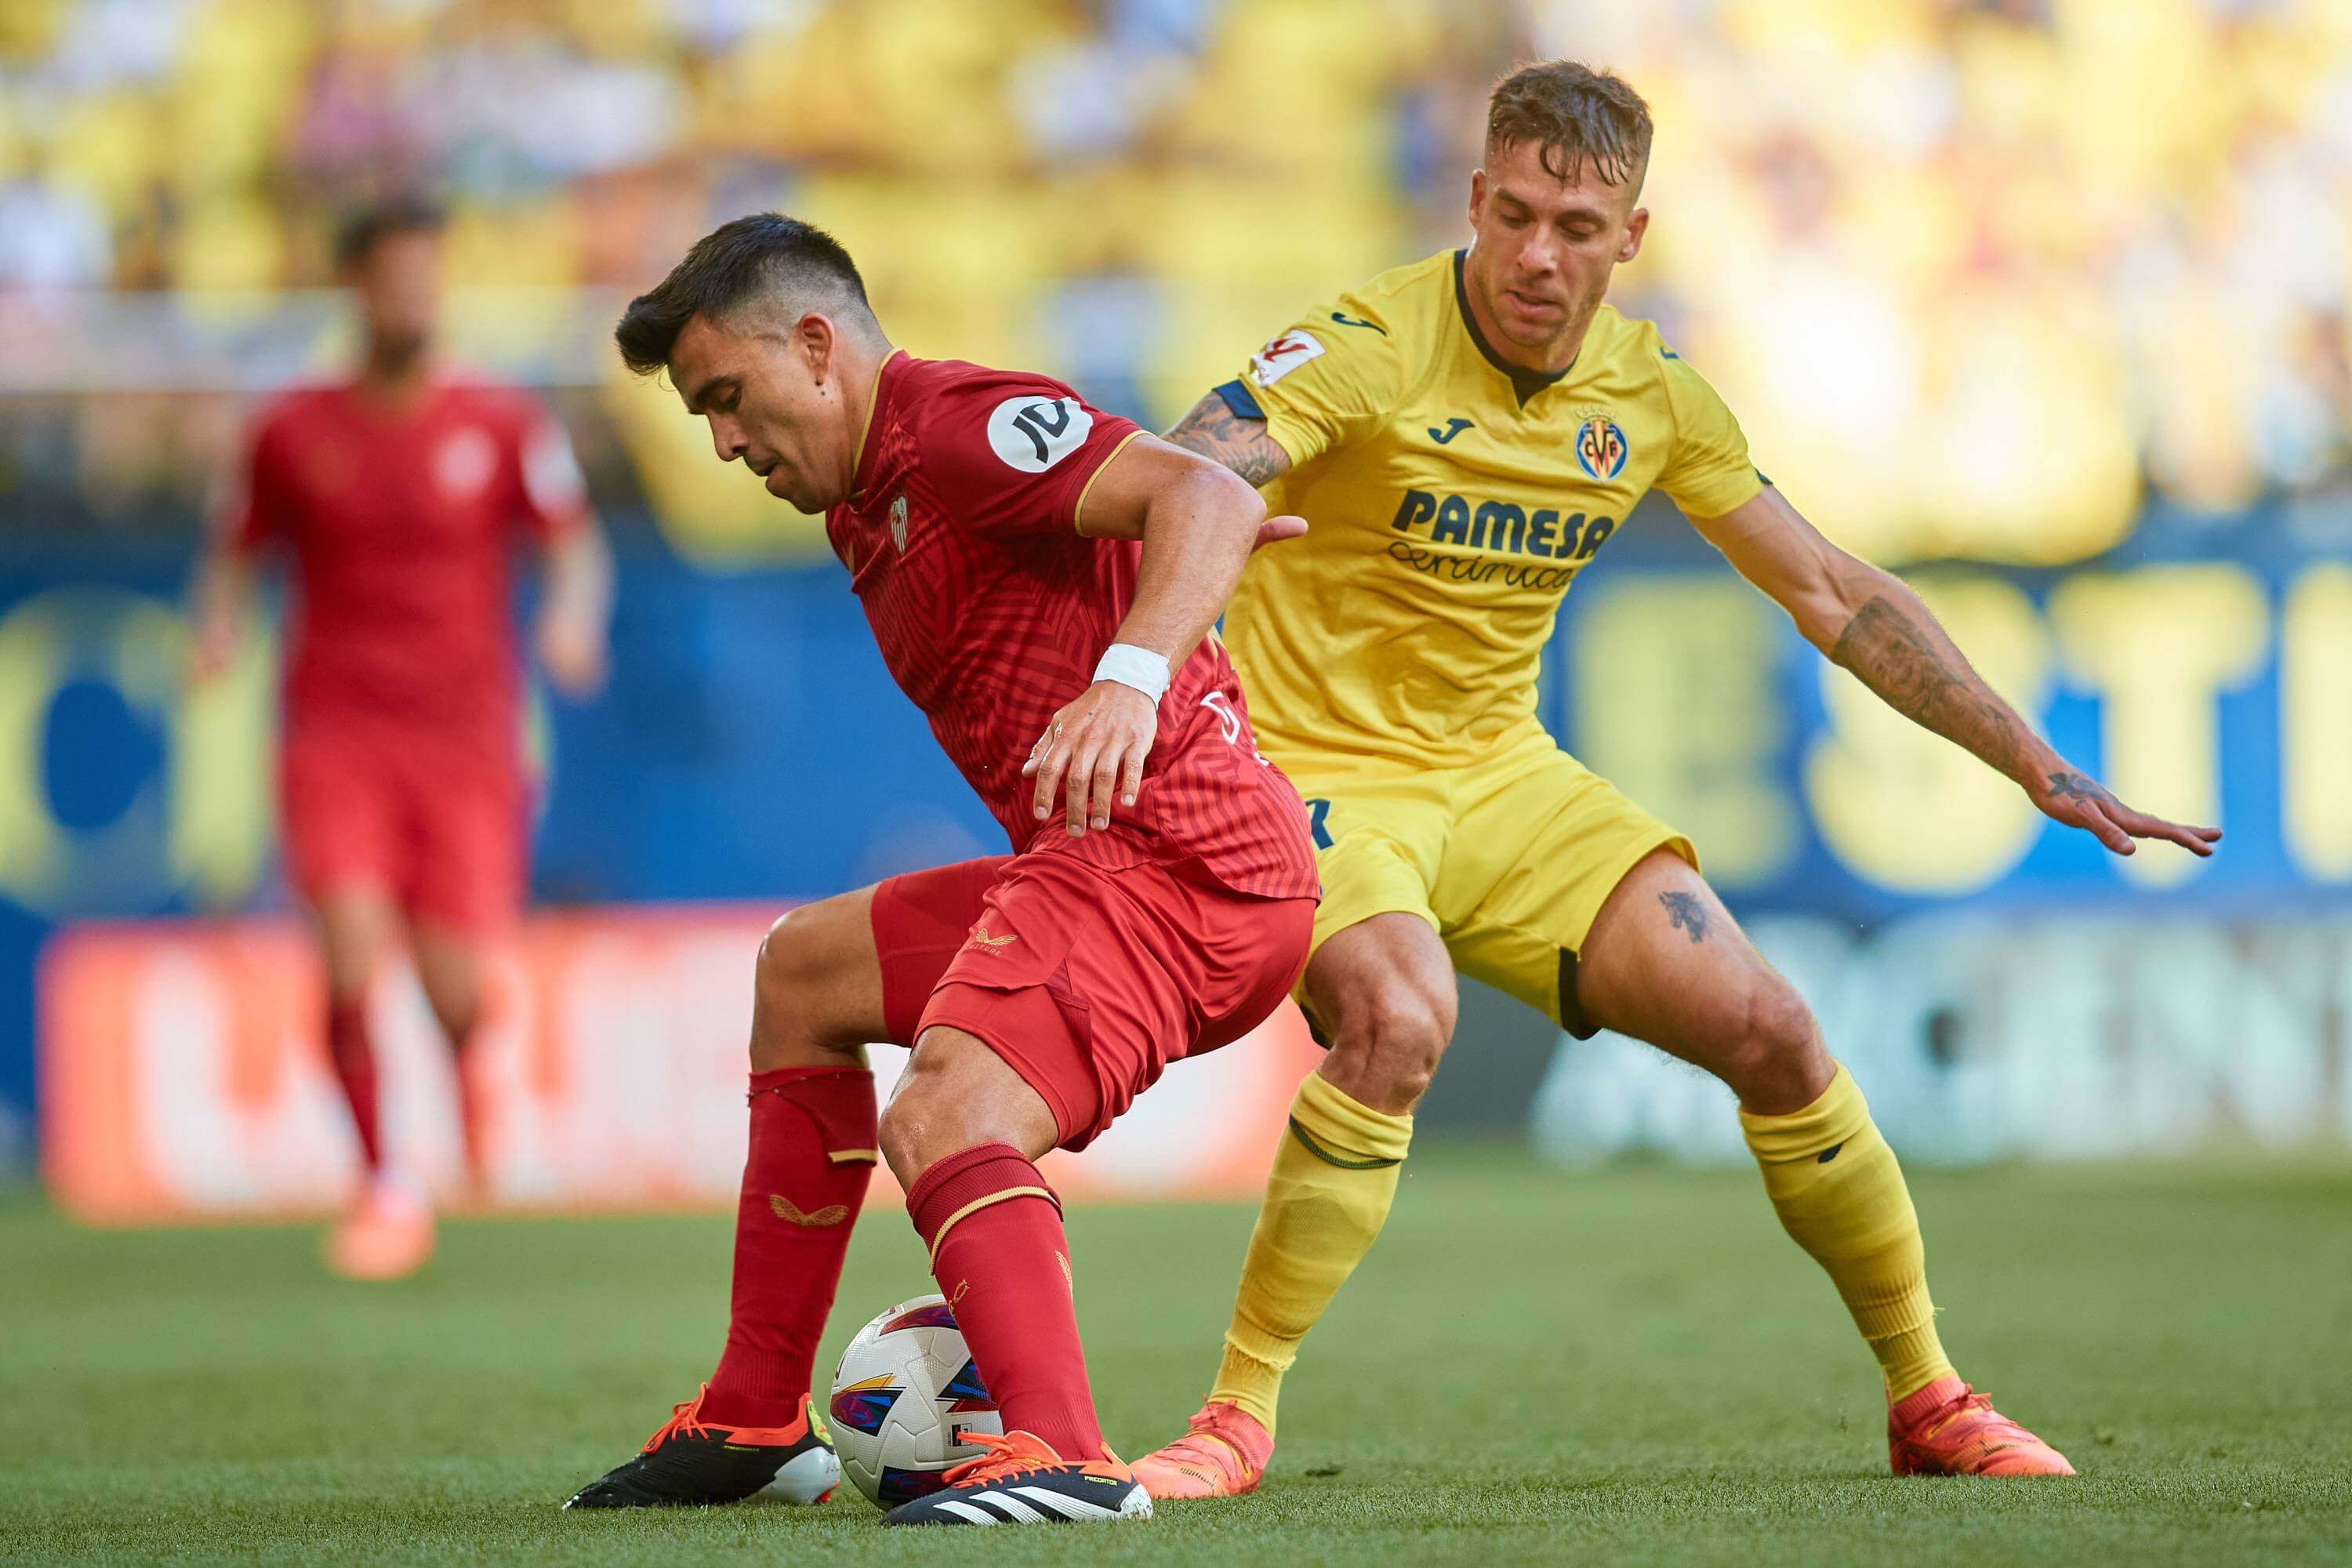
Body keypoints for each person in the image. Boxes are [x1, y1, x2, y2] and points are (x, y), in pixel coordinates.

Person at [1131, 60, 2221, 1498]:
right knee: (1399, 1015)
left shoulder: (1649, 397)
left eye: (1577, 227)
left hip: (1507, 783)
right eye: (1514, 215)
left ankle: (1931, 1398)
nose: (1537, 254)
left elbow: (1832, 592)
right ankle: (1236, 1420)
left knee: (1774, 1028)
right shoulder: (1360, 345)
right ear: (1473, 202)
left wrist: (2030, 760)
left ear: (1630, 236)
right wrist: (1136, 674)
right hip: (1319, 776)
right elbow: (1187, 471)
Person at [563, 213, 1319, 1527]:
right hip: (1108, 864)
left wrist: (1132, 681)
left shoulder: (959, 425)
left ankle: (1066, 1455)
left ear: (816, 346)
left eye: (728, 401)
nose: (726, 443)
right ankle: (754, 1412)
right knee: (800, 974)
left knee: (944, 1114)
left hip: (1183, 872)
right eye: (704, 419)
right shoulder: (861, 500)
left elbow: (1210, 493)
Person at [189, 196, 612, 1281]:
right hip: (335, 731)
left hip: (468, 740)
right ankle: (384, 1180)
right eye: (395, 276)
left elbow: (573, 547)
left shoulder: (504, 421)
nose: (415, 295)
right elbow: (235, 546)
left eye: (429, 274)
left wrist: (571, 619)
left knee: (458, 984)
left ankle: (469, 1063)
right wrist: (221, 623)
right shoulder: (291, 428)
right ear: (357, 289)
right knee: (345, 950)